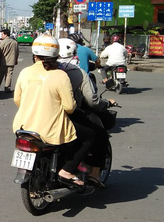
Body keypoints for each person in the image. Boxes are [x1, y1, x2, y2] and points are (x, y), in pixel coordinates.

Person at [13, 35, 89, 186]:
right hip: (50, 130)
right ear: (56, 55)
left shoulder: (25, 72)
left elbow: (17, 100)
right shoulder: (60, 75)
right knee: (89, 136)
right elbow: (69, 107)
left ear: (35, 54)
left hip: (24, 126)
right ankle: (67, 170)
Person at [58, 38, 115, 187]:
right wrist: (106, 103)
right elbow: (89, 101)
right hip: (65, 115)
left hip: (31, 118)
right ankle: (91, 174)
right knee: (95, 135)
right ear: (75, 54)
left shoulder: (36, 72)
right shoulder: (77, 73)